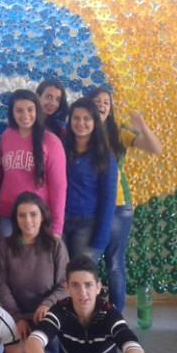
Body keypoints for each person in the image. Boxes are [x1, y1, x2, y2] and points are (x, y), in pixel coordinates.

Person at [88, 87, 161, 312]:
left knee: (114, 265)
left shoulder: (119, 132)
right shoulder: (80, 130)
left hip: (119, 206)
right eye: (97, 101)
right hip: (89, 207)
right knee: (86, 262)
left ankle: (116, 318)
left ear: (110, 109)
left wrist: (142, 127)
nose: (102, 105)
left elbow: (155, 148)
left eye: (106, 102)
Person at [0, 192, 69, 342]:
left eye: (33, 214)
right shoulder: (5, 246)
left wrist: (47, 304)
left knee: (50, 352)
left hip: (50, 314)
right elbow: (1, 286)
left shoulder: (55, 245)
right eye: (22, 215)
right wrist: (17, 318)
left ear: (42, 216)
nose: (28, 221)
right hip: (16, 317)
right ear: (15, 218)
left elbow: (65, 285)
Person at [0, 90, 66, 240]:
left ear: (37, 111)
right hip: (7, 214)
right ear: (12, 113)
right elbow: (2, 176)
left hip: (36, 217)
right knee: (6, 262)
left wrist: (57, 227)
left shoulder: (51, 141)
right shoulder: (6, 138)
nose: (25, 115)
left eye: (30, 110)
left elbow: (58, 186)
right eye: (19, 110)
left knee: (35, 262)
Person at [63, 98, 118, 265]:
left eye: (87, 118)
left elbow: (108, 201)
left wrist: (101, 239)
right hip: (59, 221)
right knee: (59, 276)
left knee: (81, 275)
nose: (81, 123)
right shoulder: (59, 148)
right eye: (76, 118)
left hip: (88, 225)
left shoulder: (105, 157)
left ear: (95, 122)